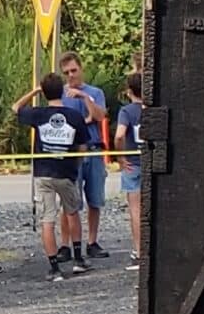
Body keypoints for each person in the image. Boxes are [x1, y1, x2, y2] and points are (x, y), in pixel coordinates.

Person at [15, 71, 93, 281]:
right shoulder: (74, 116)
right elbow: (83, 146)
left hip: (43, 173)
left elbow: (16, 108)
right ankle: (78, 260)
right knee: (72, 213)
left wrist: (35, 91)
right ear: (63, 91)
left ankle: (54, 267)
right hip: (66, 172)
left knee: (47, 220)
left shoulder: (38, 114)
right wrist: (75, 161)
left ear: (45, 93)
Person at [56, 52, 113, 261]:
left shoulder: (94, 92)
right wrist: (82, 121)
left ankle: (92, 241)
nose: (71, 75)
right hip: (71, 153)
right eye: (66, 73)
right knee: (69, 200)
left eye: (74, 70)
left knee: (95, 198)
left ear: (81, 69)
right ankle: (65, 244)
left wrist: (84, 98)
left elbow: (99, 116)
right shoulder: (61, 95)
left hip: (93, 150)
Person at [115, 72, 145, 271]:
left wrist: (120, 156)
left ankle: (139, 251)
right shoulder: (151, 109)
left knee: (135, 209)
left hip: (132, 163)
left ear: (129, 92)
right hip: (150, 161)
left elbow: (119, 136)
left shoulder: (126, 111)